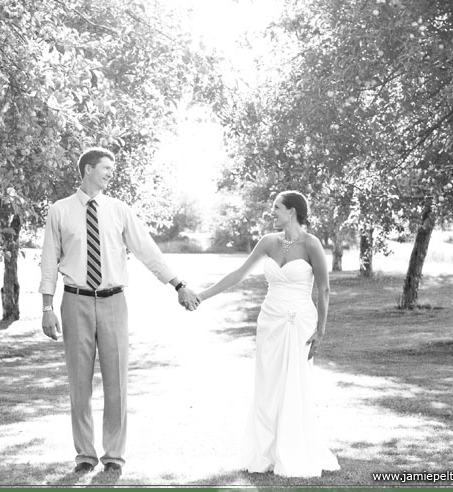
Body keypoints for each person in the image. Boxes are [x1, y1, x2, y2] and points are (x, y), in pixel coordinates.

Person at [39, 147, 200, 475]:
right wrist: (46, 306)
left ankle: (114, 455)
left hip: (114, 302)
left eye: (112, 168)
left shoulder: (119, 210)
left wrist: (178, 284)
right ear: (87, 169)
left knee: (117, 383)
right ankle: (85, 454)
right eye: (106, 168)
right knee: (79, 385)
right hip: (75, 301)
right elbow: (48, 261)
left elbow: (147, 250)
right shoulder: (60, 211)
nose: (111, 173)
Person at [197, 190, 340, 477]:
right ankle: (265, 453)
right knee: (267, 385)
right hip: (270, 321)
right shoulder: (267, 241)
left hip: (300, 322)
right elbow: (238, 274)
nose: (271, 212)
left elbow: (323, 290)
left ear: (292, 212)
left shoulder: (312, 244)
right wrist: (202, 296)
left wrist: (321, 330)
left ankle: (294, 450)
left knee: (294, 383)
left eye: (276, 207)